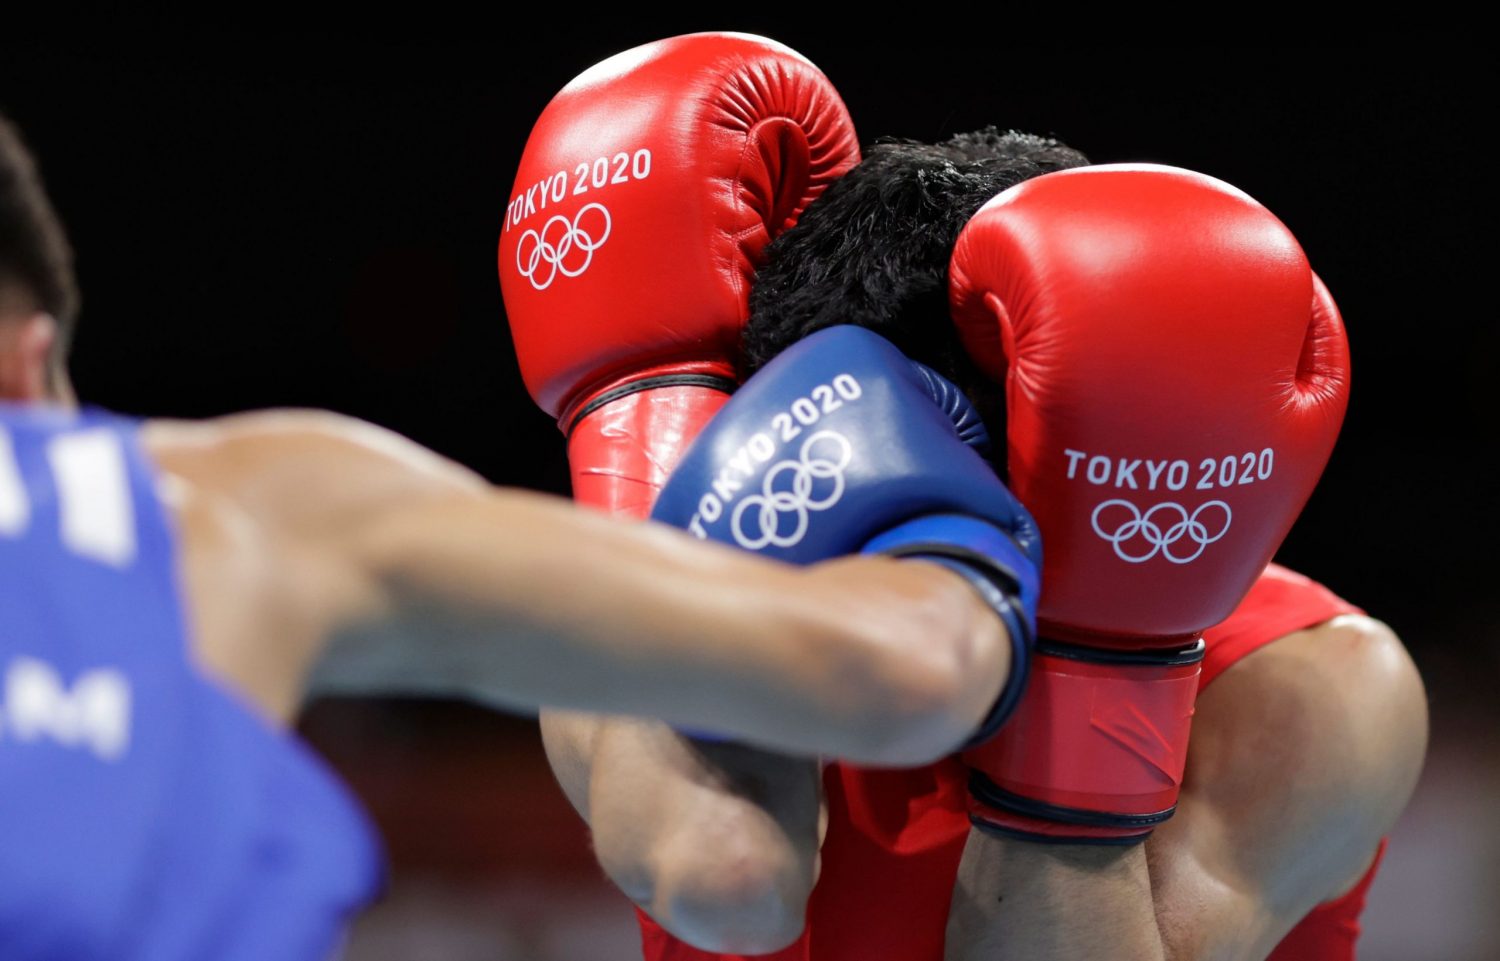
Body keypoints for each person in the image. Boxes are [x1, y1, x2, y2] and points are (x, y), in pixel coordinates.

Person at [0, 102, 1039, 958]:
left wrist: (639, 399)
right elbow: (894, 682)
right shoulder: (232, 504)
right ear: (26, 360)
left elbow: (723, 876)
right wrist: (963, 515)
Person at [502, 33, 1428, 961]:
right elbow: (721, 884)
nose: (852, 487)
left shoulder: (1313, 685)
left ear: (1063, 447)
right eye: (819, 434)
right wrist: (662, 454)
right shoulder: (692, 598)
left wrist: (1098, 659)